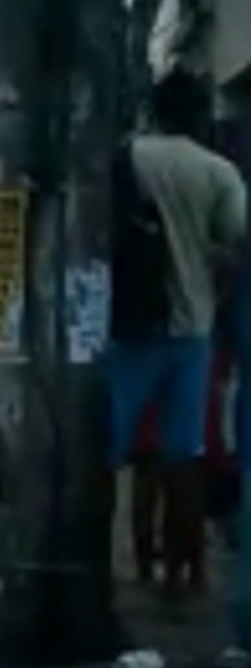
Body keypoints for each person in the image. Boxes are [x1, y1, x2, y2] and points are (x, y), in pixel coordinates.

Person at [108, 70, 246, 602]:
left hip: (127, 330)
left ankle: (104, 569)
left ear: (153, 109)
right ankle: (180, 577)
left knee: (110, 454)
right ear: (198, 115)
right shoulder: (218, 172)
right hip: (192, 333)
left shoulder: (123, 159)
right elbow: (237, 248)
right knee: (182, 457)